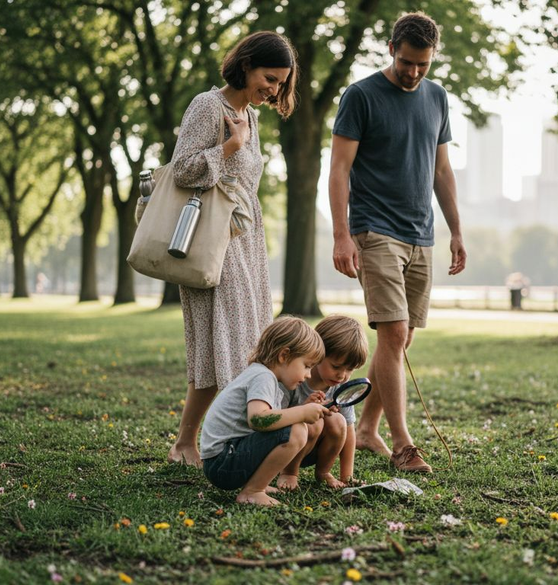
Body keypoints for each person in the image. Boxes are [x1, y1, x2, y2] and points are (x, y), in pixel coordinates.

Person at [328, 12, 466, 473]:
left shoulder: (437, 97)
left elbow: (441, 170)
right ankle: (404, 444)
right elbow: (340, 170)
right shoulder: (361, 96)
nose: (413, 72)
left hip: (421, 233)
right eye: (407, 62)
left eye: (423, 65)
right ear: (391, 49)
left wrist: (456, 231)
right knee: (390, 333)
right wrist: (342, 234)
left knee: (402, 337)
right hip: (374, 229)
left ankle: (366, 430)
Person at [167, 32, 299, 467]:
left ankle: (188, 442)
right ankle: (223, 442)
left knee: (232, 343)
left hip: (245, 239)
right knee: (227, 343)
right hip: (212, 238)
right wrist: (231, 146)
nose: (274, 89)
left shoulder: (251, 115)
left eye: (280, 83)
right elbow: (183, 169)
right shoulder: (208, 106)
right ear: (245, 66)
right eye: (269, 78)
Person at [199, 317, 332, 507]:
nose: (309, 374)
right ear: (284, 355)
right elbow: (258, 420)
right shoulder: (263, 377)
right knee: (297, 431)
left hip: (223, 459)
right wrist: (301, 414)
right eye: (307, 365)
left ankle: (257, 484)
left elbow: (273, 421)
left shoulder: (264, 376)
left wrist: (303, 407)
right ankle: (253, 491)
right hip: (223, 463)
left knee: (294, 428)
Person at [285, 315, 370, 488]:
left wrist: (347, 476)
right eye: (336, 366)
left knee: (338, 420)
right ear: (318, 354)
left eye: (350, 369)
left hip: (314, 450)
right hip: (284, 448)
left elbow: (348, 430)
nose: (342, 375)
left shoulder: (341, 387)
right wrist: (304, 410)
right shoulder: (295, 379)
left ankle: (323, 472)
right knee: (314, 422)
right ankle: (289, 472)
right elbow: (276, 420)